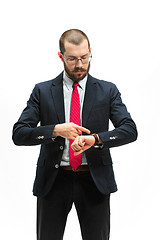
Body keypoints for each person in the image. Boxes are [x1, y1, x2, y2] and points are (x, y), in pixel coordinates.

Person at [12, 29, 138, 240]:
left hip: (94, 179)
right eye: (72, 59)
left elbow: (129, 129)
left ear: (90, 53)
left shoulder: (108, 90)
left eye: (84, 58)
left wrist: (96, 140)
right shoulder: (42, 91)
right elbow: (19, 134)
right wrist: (54, 130)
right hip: (53, 181)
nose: (79, 65)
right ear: (60, 56)